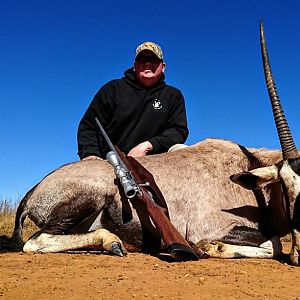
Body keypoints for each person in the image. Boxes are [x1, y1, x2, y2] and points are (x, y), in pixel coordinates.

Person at [77, 41, 189, 160]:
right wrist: (90, 153)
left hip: (158, 157)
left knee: (182, 150)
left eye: (153, 59)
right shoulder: (112, 89)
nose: (148, 63)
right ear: (134, 65)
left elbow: (178, 130)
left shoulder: (173, 95)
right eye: (142, 59)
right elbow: (89, 125)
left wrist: (148, 145)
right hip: (114, 159)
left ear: (163, 67)